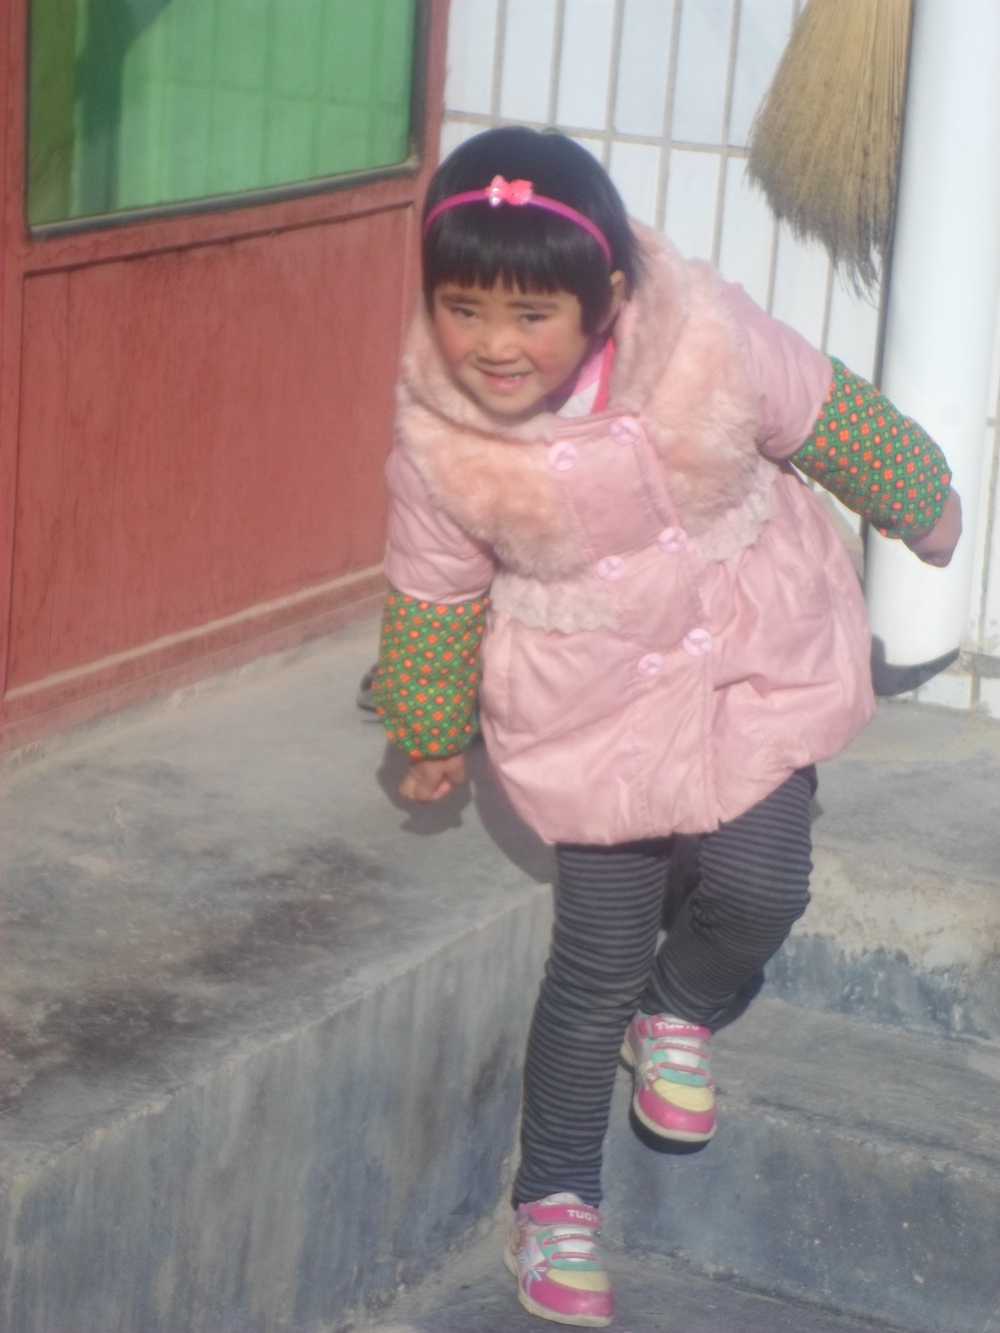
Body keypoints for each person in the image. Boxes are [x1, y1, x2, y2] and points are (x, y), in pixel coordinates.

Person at [371, 126, 961, 1328]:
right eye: (462, 309)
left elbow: (822, 410)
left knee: (761, 884)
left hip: (753, 663)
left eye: (529, 314)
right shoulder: (444, 443)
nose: (493, 344)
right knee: (590, 961)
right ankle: (554, 1201)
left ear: (606, 298)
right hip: (590, 716)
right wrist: (431, 727)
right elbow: (432, 592)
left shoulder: (705, 337)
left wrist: (918, 498)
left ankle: (679, 1001)